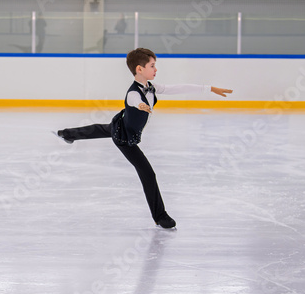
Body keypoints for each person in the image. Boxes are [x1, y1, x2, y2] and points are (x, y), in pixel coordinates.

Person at [55, 48, 233, 228]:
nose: (156, 69)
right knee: (148, 173)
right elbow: (132, 99)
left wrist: (208, 88)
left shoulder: (151, 87)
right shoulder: (133, 93)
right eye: (152, 66)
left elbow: (177, 88)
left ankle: (67, 134)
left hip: (121, 125)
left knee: (101, 129)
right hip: (124, 138)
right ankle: (160, 216)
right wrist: (140, 105)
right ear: (139, 69)